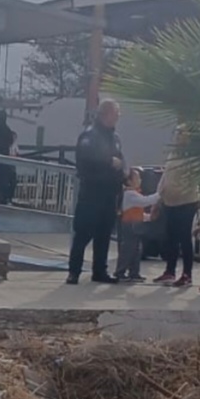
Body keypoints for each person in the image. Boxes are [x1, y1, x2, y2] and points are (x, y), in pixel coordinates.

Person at [67, 99, 127, 285]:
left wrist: (123, 173)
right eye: (116, 114)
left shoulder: (115, 138)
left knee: (103, 235)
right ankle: (74, 271)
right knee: (83, 233)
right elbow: (85, 161)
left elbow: (120, 160)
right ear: (105, 114)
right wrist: (108, 162)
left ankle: (99, 271)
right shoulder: (90, 135)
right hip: (91, 194)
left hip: (109, 195)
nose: (118, 118)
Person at [153, 128, 200, 288]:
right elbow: (166, 176)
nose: (179, 136)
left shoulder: (194, 156)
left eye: (182, 133)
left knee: (184, 238)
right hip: (169, 202)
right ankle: (170, 271)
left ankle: (187, 274)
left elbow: (193, 181)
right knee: (170, 237)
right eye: (177, 133)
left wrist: (177, 192)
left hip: (186, 202)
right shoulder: (173, 154)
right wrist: (158, 198)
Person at [114, 168, 162, 281]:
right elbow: (146, 201)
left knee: (136, 250)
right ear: (129, 181)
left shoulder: (134, 194)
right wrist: (160, 193)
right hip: (130, 225)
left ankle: (134, 273)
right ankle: (120, 272)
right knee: (128, 249)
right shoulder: (130, 194)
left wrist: (148, 217)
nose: (140, 180)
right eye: (137, 177)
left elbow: (138, 211)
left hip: (135, 224)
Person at [0, 110, 17, 205]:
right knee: (5, 181)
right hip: (2, 159)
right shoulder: (6, 130)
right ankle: (4, 200)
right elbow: (10, 140)